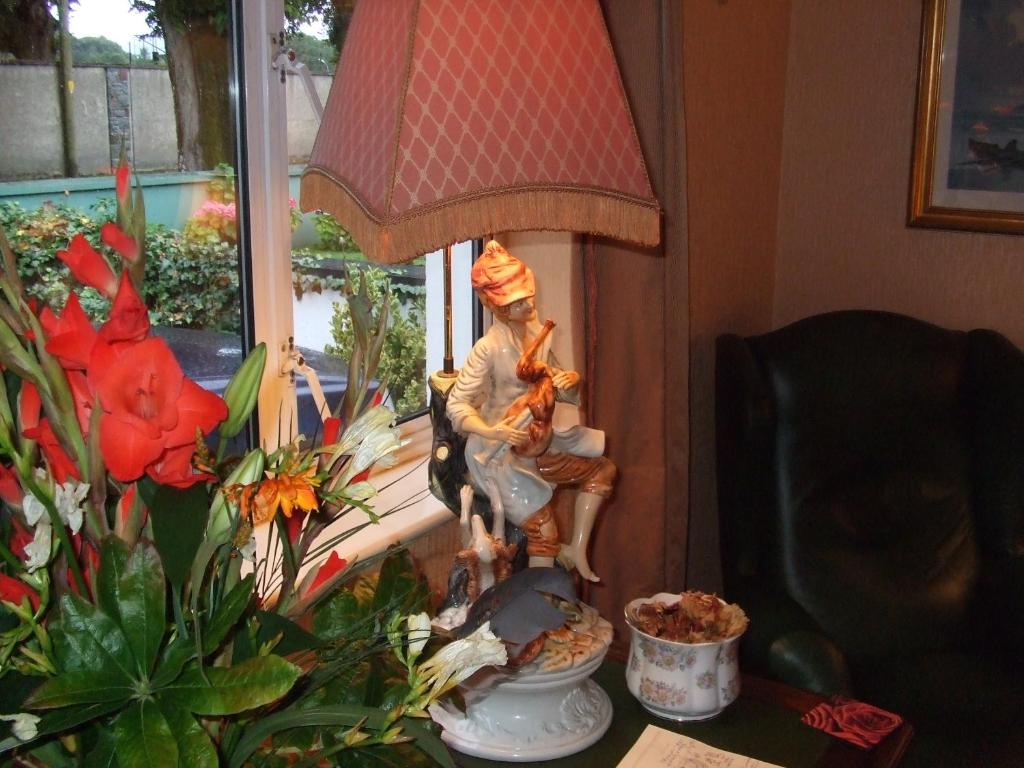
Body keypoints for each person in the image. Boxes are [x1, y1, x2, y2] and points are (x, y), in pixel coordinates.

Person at [446, 240, 616, 582]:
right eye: (517, 301)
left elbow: (558, 389)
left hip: (538, 437)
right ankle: (539, 602)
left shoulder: (539, 335)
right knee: (544, 531)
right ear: (495, 306)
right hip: (498, 453)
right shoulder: (488, 348)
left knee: (602, 470)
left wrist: (568, 383)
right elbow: (457, 405)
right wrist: (493, 431)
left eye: (529, 296)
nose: (529, 304)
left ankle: (578, 550)